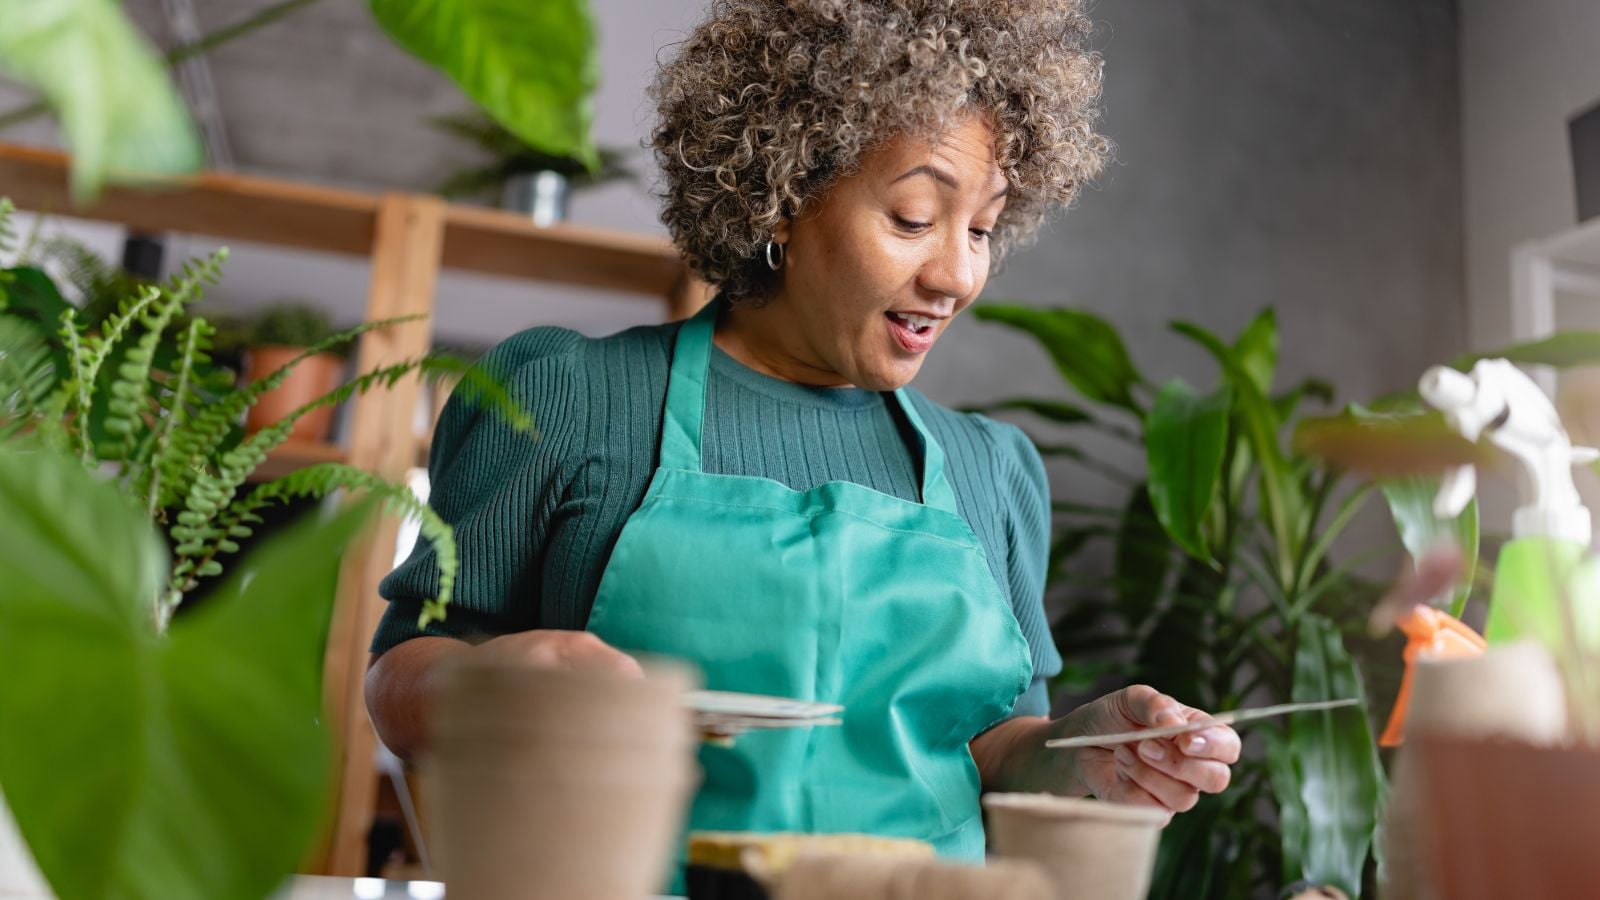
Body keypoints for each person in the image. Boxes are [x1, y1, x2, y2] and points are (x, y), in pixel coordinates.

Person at [366, 0, 1240, 864]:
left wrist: (1094, 752)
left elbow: (990, 748)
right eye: (912, 219)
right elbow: (397, 684)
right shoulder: (564, 395)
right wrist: (486, 685)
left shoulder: (993, 470)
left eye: (982, 227)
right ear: (783, 195)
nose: (958, 274)